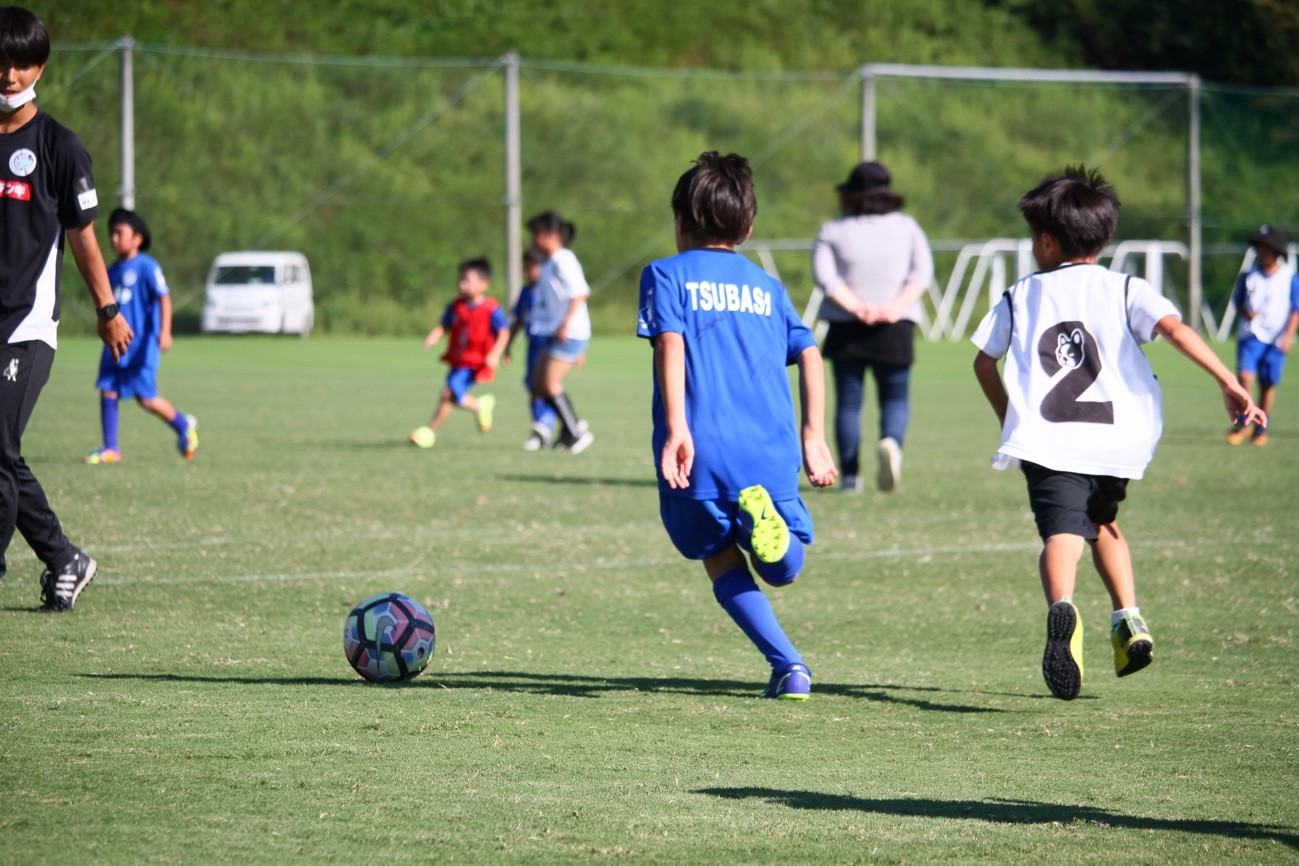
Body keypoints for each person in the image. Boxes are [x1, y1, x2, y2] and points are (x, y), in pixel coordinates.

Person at [970, 165, 1264, 701]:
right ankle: (1128, 618)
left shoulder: (1021, 294)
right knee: (1102, 522)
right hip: (1117, 441)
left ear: (1046, 241)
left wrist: (1011, 418)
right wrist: (1227, 380)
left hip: (1049, 440)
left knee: (1061, 533)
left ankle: (1063, 608)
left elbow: (984, 362)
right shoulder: (1126, 287)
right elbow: (1174, 328)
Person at [637, 151, 838, 700]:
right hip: (769, 448)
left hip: (703, 447)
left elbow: (670, 345)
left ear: (680, 221)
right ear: (747, 228)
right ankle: (770, 533)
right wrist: (814, 435)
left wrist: (677, 429)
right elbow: (811, 352)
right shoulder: (767, 287)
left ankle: (790, 667)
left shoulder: (665, 273)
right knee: (783, 567)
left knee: (717, 554)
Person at [0, 6, 134, 612]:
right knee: (2, 452)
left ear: (41, 69)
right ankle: (63, 558)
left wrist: (107, 308)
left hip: (24, 325)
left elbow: (83, 238)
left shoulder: (59, 146)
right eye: (1, 62)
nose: (9, 75)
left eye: (21, 64)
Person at [812, 160, 933, 493]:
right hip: (895, 326)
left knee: (849, 402)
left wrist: (856, 307)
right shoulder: (907, 227)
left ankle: (850, 476)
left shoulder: (833, 230)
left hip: (846, 326)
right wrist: (893, 308)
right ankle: (891, 442)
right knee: (895, 398)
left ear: (850, 193)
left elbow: (825, 278)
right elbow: (921, 273)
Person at [85, 208, 197, 464]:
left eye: (119, 233)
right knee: (108, 389)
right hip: (115, 342)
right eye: (111, 233)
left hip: (141, 345)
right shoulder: (111, 271)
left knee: (146, 398)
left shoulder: (147, 266)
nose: (114, 238)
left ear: (137, 238)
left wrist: (165, 332)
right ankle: (111, 448)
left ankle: (184, 426)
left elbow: (164, 298)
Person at [408, 258, 509, 448]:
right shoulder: (456, 306)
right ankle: (477, 406)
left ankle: (430, 432)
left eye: (467, 281)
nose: (461, 284)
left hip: (476, 362)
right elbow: (445, 325)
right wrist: (435, 335)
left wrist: (496, 354)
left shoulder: (491, 308)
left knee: (449, 392)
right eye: (460, 280)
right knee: (450, 397)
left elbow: (504, 332)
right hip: (458, 360)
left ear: (483, 284)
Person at [1225, 224, 1299, 447]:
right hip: (1251, 335)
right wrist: (1246, 312)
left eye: (1266, 248)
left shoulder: (1289, 278)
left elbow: (1295, 310)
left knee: (1267, 384)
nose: (1261, 252)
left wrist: (1288, 337)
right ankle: (1243, 423)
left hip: (1276, 339)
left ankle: (1260, 429)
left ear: (1276, 252)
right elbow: (1238, 303)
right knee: (1244, 377)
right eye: (1259, 248)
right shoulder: (1249, 276)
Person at [527, 210, 594, 453]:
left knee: (550, 384)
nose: (534, 239)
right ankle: (569, 429)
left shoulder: (563, 260)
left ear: (553, 235)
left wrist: (565, 324)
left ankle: (575, 432)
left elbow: (580, 293)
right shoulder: (550, 261)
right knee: (537, 384)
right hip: (555, 331)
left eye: (538, 234)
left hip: (570, 332)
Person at [505, 248, 558, 450]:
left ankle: (545, 424)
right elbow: (518, 320)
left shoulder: (551, 290)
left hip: (551, 344)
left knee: (548, 385)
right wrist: (508, 345)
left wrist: (576, 350)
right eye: (526, 268)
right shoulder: (526, 292)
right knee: (533, 386)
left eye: (532, 268)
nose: (528, 272)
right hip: (533, 345)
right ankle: (540, 429)